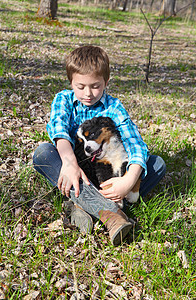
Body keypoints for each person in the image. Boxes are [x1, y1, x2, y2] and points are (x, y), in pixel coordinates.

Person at [33, 45, 166, 246]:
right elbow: (59, 131)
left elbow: (135, 143)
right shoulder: (64, 99)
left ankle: (85, 205)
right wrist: (69, 164)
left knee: (157, 164)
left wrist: (128, 181)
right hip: (77, 173)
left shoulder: (113, 106)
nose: (88, 93)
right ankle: (111, 214)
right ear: (71, 82)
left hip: (110, 176)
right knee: (43, 153)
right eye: (80, 86)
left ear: (106, 81)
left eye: (95, 86)